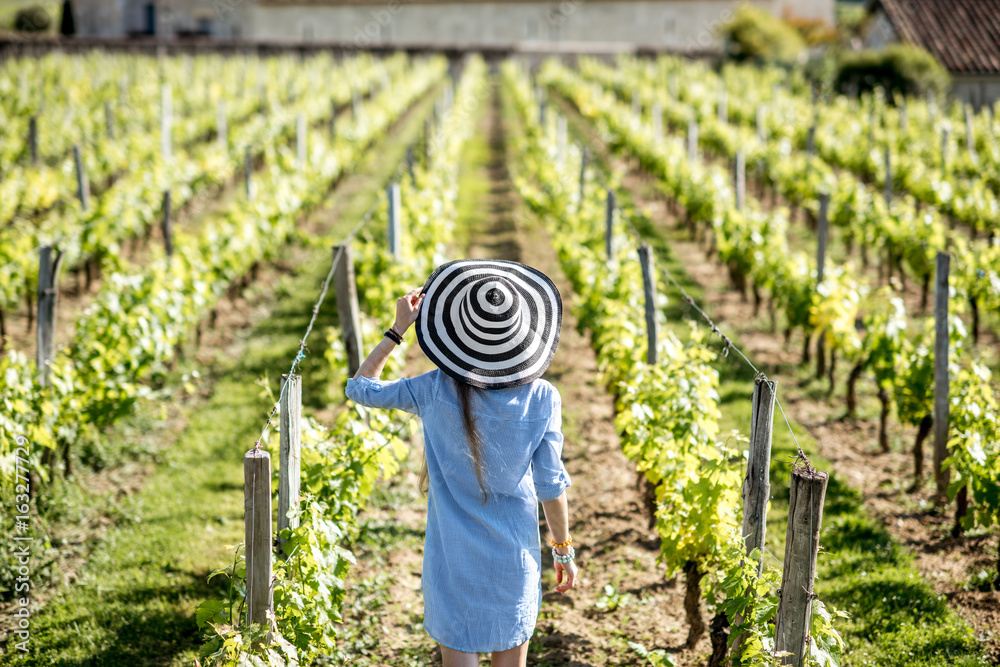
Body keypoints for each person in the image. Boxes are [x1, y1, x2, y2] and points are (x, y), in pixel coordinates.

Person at [345, 259, 578, 667]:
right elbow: (550, 486)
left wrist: (397, 329)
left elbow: (360, 388)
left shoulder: (434, 389)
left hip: (452, 563)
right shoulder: (542, 397)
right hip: (514, 559)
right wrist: (562, 550)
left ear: (457, 332)